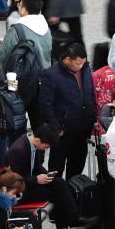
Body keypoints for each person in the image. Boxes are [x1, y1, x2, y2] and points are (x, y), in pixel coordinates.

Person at [4, 127, 80, 229]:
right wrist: (36, 179)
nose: (47, 148)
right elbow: (15, 180)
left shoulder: (31, 145)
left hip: (28, 185)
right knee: (58, 194)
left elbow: (36, 167)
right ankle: (72, 225)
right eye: (47, 146)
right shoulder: (18, 150)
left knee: (60, 183)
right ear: (38, 140)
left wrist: (47, 174)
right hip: (19, 192)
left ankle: (69, 225)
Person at [38, 42, 95, 178]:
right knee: (57, 165)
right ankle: (56, 193)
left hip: (83, 127)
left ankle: (74, 191)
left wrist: (93, 117)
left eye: (83, 63)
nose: (80, 66)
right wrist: (56, 128)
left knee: (78, 163)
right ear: (67, 59)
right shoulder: (51, 75)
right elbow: (45, 104)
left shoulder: (85, 68)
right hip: (63, 130)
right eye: (77, 64)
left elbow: (90, 93)